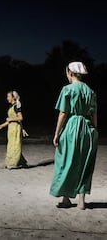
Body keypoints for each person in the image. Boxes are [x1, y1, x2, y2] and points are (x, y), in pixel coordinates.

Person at [50, 61, 98, 210]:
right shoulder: (90, 91)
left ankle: (66, 198)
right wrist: (94, 129)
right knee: (84, 163)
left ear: (70, 73)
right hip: (88, 128)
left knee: (66, 161)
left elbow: (63, 112)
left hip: (72, 126)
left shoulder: (67, 89)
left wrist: (57, 133)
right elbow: (94, 114)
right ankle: (82, 201)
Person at [0, 91, 28, 169]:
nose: (7, 98)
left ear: (13, 97)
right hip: (11, 128)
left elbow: (20, 118)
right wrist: (2, 126)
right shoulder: (12, 107)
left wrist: (11, 118)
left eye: (8, 96)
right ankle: (21, 162)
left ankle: (13, 163)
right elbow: (9, 120)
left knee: (15, 145)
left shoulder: (16, 106)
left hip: (16, 128)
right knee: (12, 145)